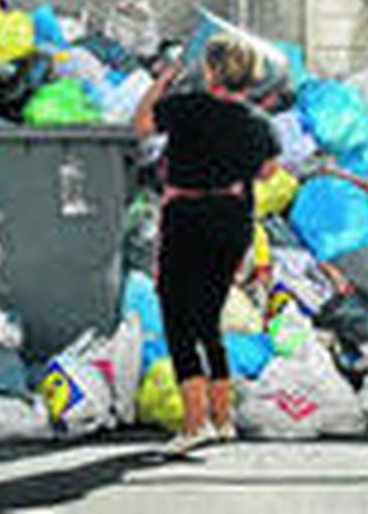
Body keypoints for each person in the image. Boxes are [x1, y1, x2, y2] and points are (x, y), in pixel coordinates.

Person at [132, 34, 280, 456]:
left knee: (178, 320)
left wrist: (162, 81)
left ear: (211, 70)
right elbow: (269, 171)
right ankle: (223, 419)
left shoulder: (187, 107)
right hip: (233, 221)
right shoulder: (257, 122)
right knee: (209, 319)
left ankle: (195, 425)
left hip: (188, 218)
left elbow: (141, 125)